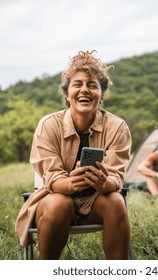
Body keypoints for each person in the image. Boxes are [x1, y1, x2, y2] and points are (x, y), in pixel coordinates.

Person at [15, 50, 132, 260]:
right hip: (55, 202)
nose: (84, 90)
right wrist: (71, 184)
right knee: (60, 202)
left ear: (102, 95)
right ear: (68, 94)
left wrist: (104, 182)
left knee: (116, 200)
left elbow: (116, 177)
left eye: (92, 85)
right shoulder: (48, 125)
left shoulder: (117, 127)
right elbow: (51, 178)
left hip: (97, 202)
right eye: (77, 84)